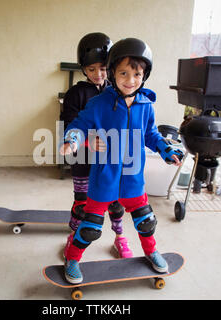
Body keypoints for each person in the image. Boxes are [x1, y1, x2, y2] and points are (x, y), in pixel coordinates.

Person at [60, 38, 184, 284]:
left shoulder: (146, 105)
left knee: (146, 221)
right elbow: (79, 124)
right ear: (114, 73)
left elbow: (151, 134)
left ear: (144, 75)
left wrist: (166, 150)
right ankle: (72, 257)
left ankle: (151, 252)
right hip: (104, 178)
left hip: (133, 178)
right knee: (91, 226)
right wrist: (73, 140)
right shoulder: (99, 103)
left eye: (136, 74)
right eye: (123, 73)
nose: (130, 80)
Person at [60, 32, 133, 260]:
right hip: (82, 160)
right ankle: (74, 236)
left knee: (116, 204)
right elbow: (69, 124)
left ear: (110, 67)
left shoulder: (117, 92)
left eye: (102, 68)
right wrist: (87, 139)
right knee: (82, 203)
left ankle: (120, 238)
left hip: (110, 162)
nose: (98, 74)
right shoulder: (76, 93)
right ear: (83, 69)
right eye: (91, 69)